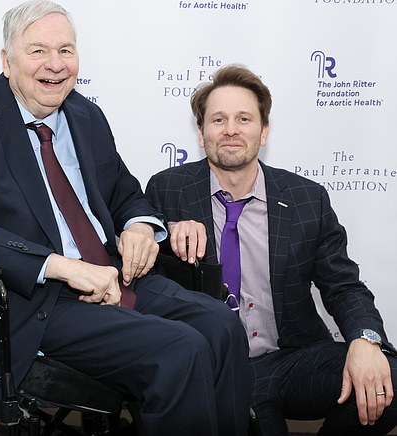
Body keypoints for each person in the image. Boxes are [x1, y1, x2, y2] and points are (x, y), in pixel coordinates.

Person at [0, 1, 251, 435]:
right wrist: (60, 268)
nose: (55, 65)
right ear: (6, 61)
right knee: (181, 349)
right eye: (38, 50)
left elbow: (125, 193)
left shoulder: (85, 114)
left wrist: (139, 225)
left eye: (66, 50)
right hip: (34, 298)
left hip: (114, 275)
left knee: (222, 325)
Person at [145, 64, 397, 435]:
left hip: (289, 361)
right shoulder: (167, 191)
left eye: (244, 119)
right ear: (201, 133)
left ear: (263, 132)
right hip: (211, 366)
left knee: (387, 377)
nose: (231, 129)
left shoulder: (307, 199)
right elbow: (144, 280)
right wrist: (164, 235)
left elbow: (343, 286)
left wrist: (365, 340)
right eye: (218, 120)